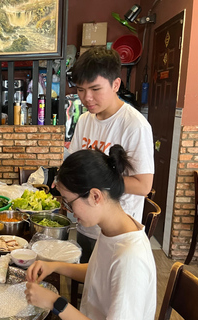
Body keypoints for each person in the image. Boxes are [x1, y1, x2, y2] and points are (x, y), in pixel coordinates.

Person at [25, 146, 156, 320]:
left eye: (69, 202)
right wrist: (54, 266)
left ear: (95, 196)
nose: (69, 210)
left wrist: (55, 303)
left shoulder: (130, 258)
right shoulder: (113, 230)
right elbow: (98, 273)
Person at [67, 47, 154, 262]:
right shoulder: (86, 119)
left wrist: (98, 181)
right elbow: (76, 163)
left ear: (116, 84)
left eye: (95, 89)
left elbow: (143, 186)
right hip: (87, 223)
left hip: (117, 234)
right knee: (89, 288)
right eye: (80, 90)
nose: (87, 98)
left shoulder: (134, 125)